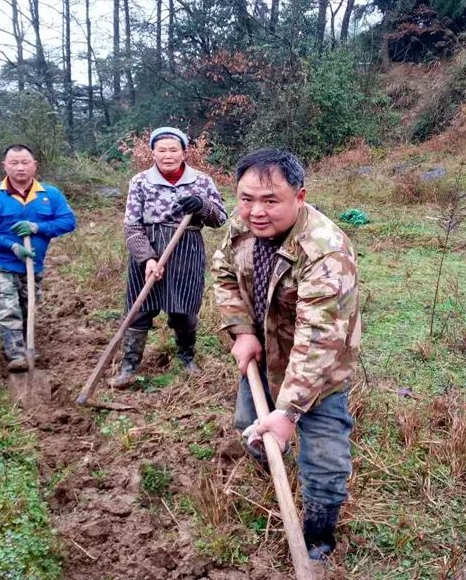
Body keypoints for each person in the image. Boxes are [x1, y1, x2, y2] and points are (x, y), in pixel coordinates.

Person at [212, 148, 361, 562]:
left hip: (320, 371)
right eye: (246, 198)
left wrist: (288, 412)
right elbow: (223, 271)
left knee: (325, 463)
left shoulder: (325, 251)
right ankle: (276, 466)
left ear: (299, 196)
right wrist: (242, 331)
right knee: (249, 426)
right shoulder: (241, 226)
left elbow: (318, 340)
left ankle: (318, 538)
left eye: (270, 200)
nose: (256, 211)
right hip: (264, 354)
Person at [110, 127, 228, 388]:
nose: (167, 155)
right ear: (152, 153)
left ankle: (186, 359)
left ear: (184, 153)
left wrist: (203, 205)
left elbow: (220, 218)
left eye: (173, 150)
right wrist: (147, 259)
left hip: (186, 251)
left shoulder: (201, 181)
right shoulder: (140, 181)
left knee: (184, 310)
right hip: (149, 248)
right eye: (161, 150)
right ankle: (129, 366)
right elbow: (132, 226)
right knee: (139, 309)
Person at [0, 143, 77, 371]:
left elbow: (68, 221)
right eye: (14, 163)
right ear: (5, 166)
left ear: (34, 165)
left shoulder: (49, 194)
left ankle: (27, 347)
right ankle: (17, 355)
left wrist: (38, 227)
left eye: (25, 162)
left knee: (27, 309)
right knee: (6, 308)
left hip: (32, 265)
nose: (20, 167)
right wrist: (11, 246)